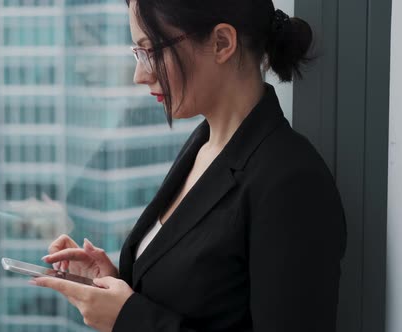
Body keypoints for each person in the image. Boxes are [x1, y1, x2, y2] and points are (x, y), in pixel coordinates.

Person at [29, 0, 347, 331]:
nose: (140, 74)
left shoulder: (291, 182)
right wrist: (113, 284)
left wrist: (128, 319)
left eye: (151, 51)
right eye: (138, 53)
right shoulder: (203, 145)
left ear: (222, 43)